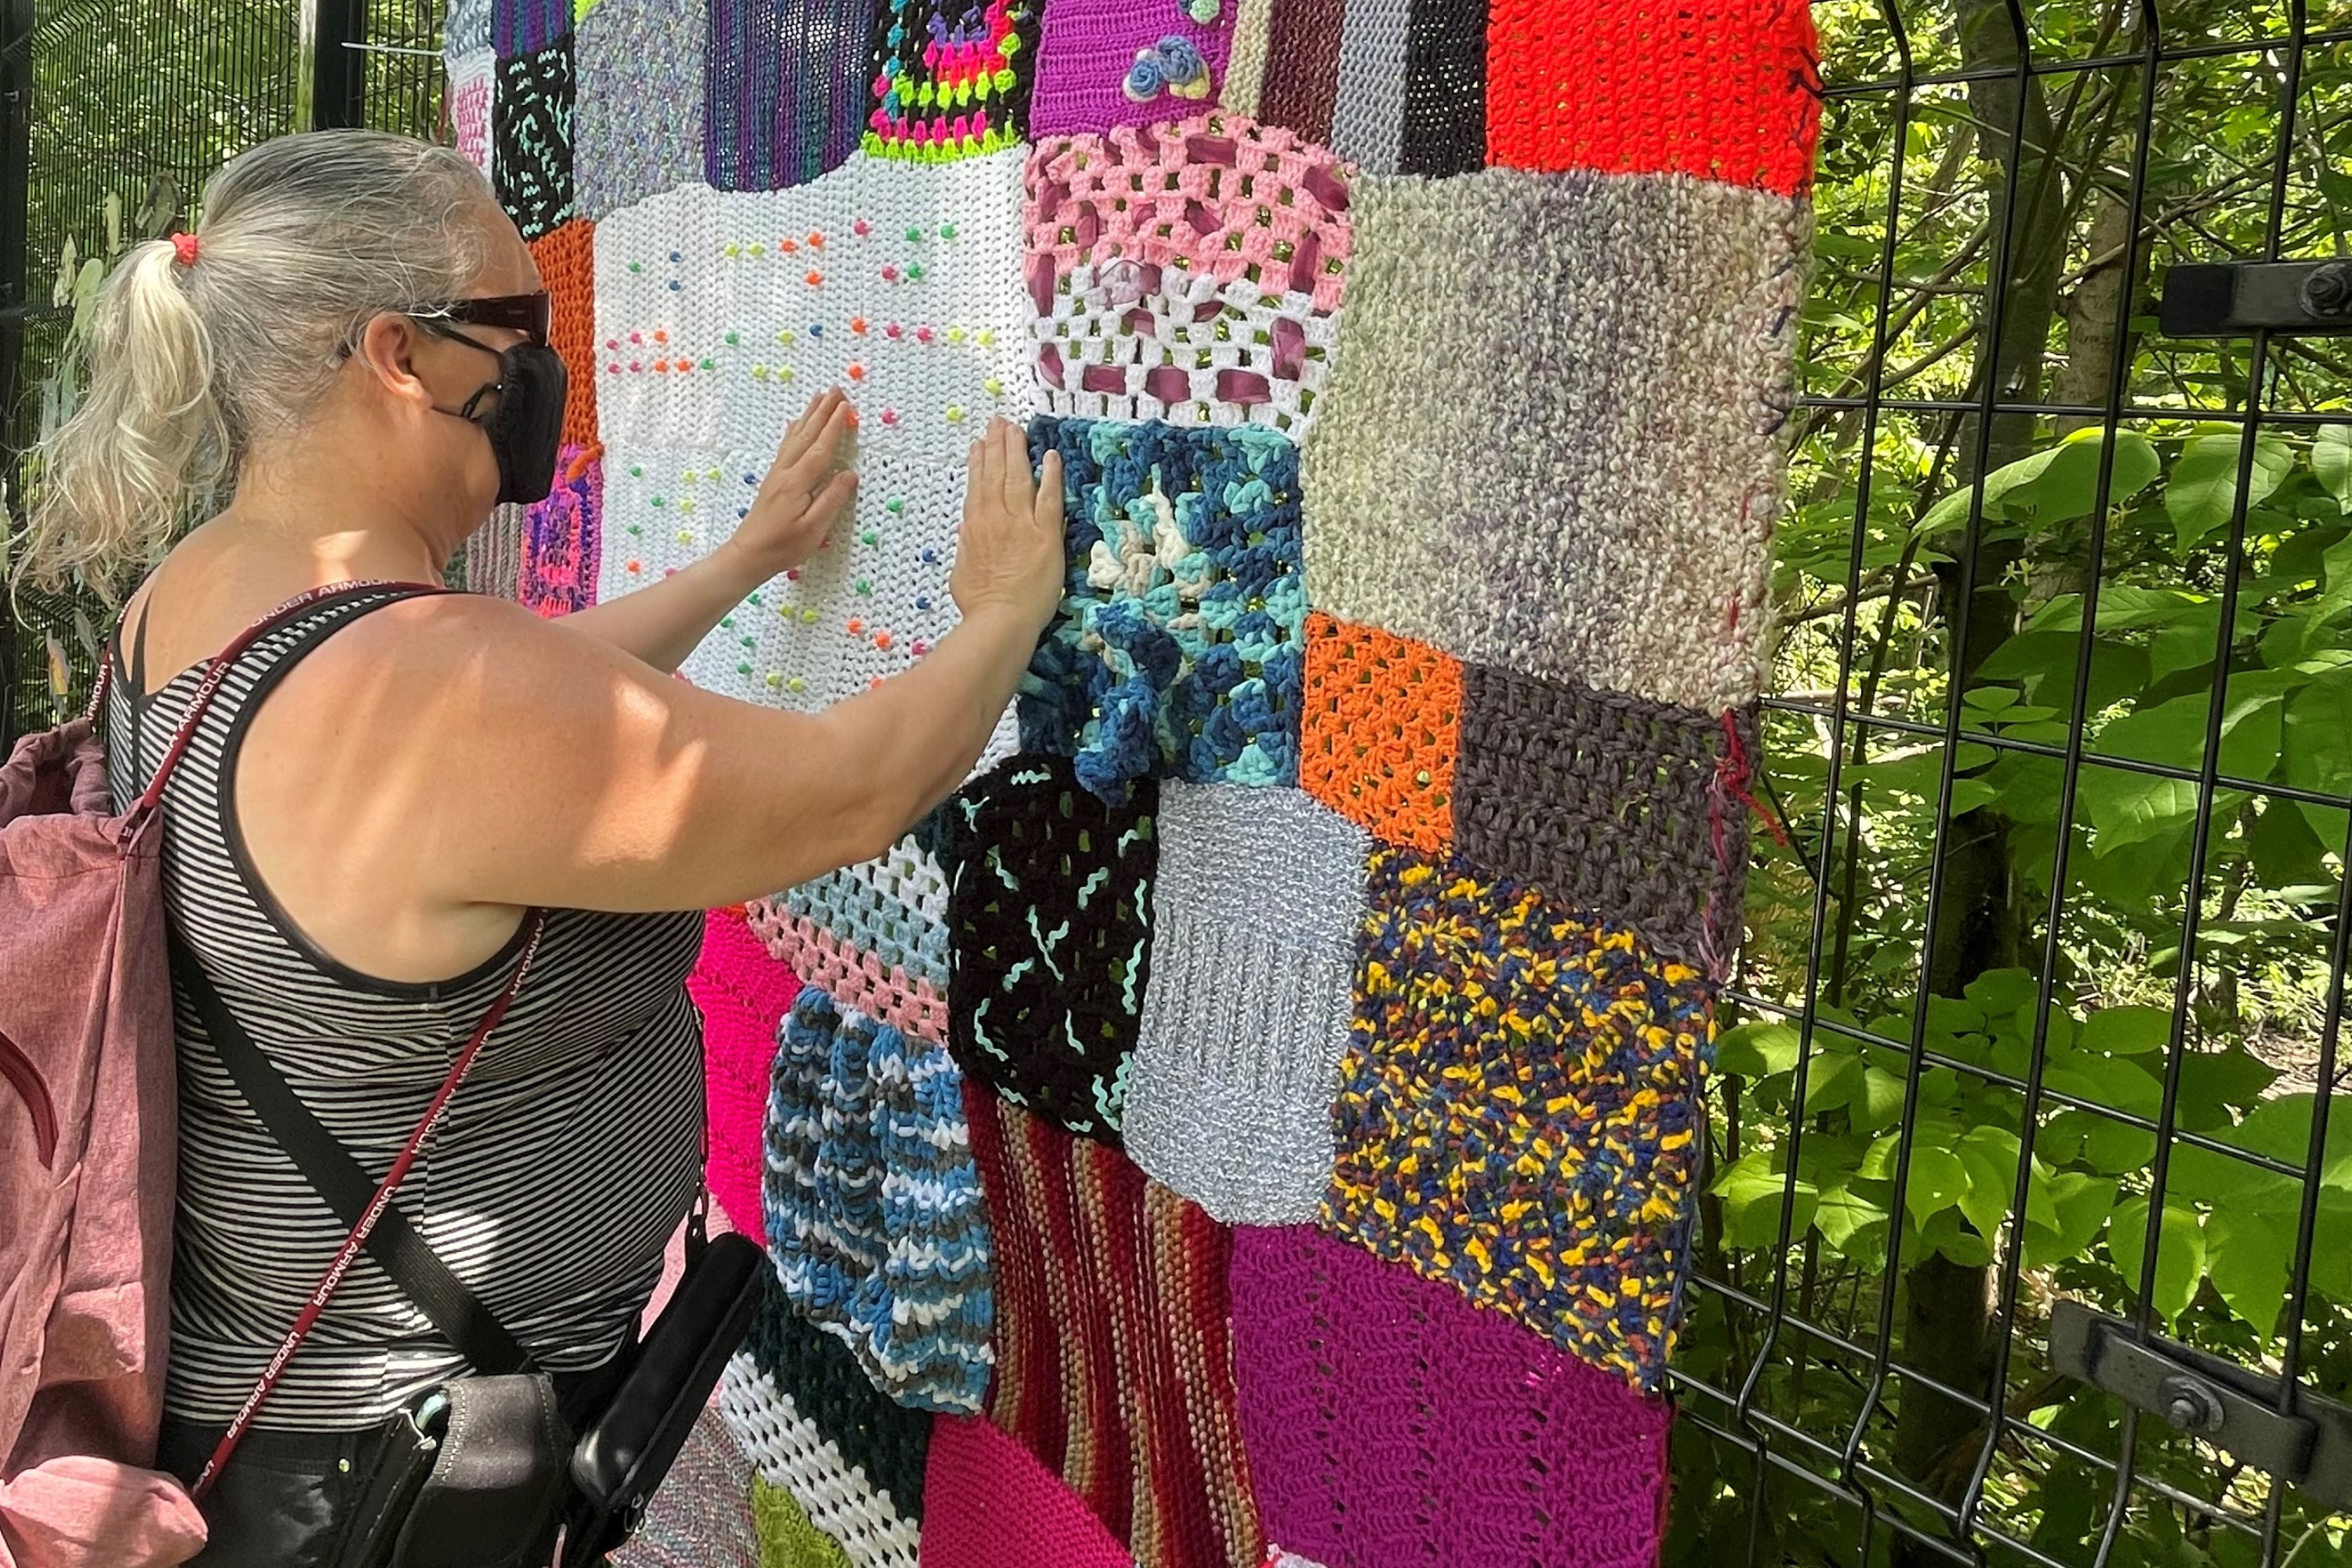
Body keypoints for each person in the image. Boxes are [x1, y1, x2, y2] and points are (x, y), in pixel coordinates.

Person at [13, 129, 1065, 1564]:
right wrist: (1003, 615)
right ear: (399, 353)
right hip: (392, 1491)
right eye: (518, 329)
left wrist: (737, 564)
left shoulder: (204, 603)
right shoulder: (435, 694)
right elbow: (850, 790)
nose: (546, 369)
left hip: (260, 1441)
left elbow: (533, 736)